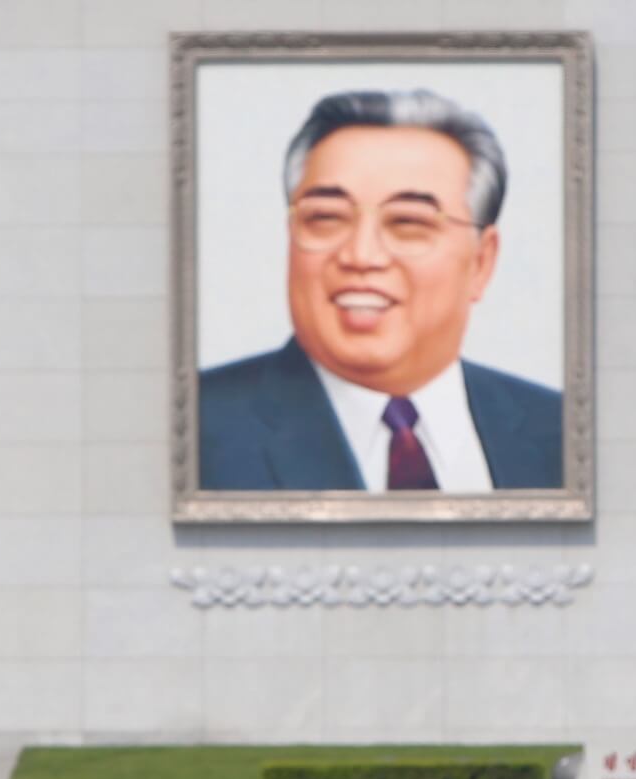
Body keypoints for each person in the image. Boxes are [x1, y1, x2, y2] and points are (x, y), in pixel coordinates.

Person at [199, 89, 563, 493]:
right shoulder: (192, 431)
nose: (361, 255)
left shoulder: (562, 432)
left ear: (481, 263)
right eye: (326, 218)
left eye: (408, 222)